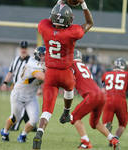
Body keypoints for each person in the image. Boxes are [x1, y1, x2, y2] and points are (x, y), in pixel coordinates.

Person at [33, 0, 93, 149]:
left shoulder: (44, 27)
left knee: (47, 109)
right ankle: (66, 112)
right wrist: (83, 4)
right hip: (65, 72)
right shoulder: (73, 32)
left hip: (50, 73)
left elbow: (50, 19)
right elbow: (89, 23)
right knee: (69, 89)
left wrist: (59, 3)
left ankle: (40, 131)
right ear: (69, 20)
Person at [69, 50, 119, 149]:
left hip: (92, 96)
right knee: (94, 123)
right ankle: (113, 139)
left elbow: (68, 80)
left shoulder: (72, 65)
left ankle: (85, 142)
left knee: (74, 117)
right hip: (101, 95)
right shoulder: (84, 66)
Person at [0, 43, 45, 142]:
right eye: (42, 55)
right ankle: (5, 131)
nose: (44, 58)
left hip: (31, 97)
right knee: (14, 118)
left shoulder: (42, 65)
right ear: (37, 55)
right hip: (18, 95)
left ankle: (23, 135)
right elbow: (42, 77)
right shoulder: (32, 64)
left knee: (33, 121)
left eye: (45, 55)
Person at [102, 57, 128, 146]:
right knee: (122, 124)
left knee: (105, 124)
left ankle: (110, 136)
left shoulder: (106, 74)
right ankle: (115, 138)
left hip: (108, 100)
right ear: (125, 66)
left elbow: (102, 91)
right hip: (121, 100)